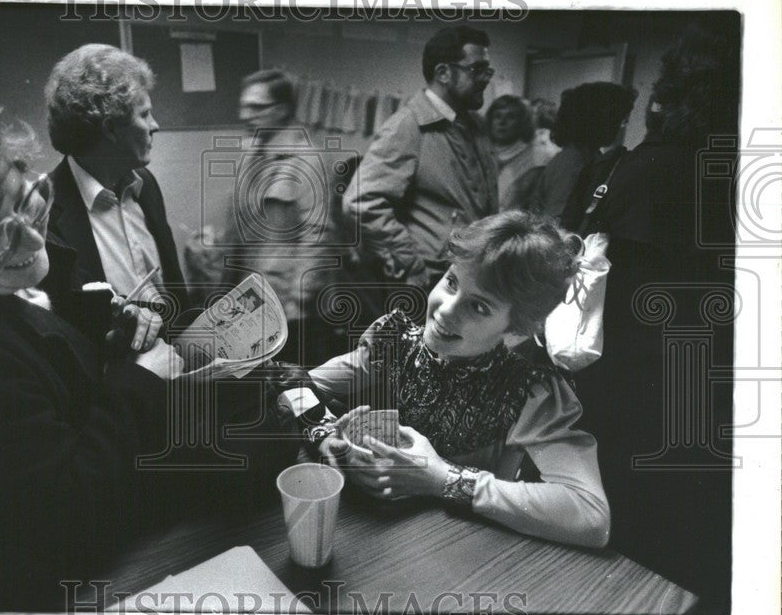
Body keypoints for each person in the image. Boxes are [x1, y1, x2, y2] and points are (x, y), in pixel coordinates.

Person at [0, 71, 293, 610]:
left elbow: (44, 388)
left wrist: (110, 345)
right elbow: (59, 522)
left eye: (25, 200)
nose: (30, 236)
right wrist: (139, 379)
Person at [304, 212, 611, 548]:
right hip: (370, 534)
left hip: (459, 550)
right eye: (451, 282)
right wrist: (325, 434)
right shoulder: (394, 342)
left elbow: (592, 517)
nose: (446, 310)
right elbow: (287, 383)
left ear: (516, 329)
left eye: (479, 307)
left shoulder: (529, 392)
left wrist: (442, 479)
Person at [571, 21, 738, 615]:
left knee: (617, 553)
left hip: (633, 388)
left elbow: (600, 293)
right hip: (719, 392)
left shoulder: (645, 169)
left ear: (670, 93)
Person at [40, 44, 189, 342]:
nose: (155, 126)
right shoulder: (45, 212)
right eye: (144, 115)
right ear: (110, 128)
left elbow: (171, 293)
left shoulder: (145, 184)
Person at [342, 26, 498, 293]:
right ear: (443, 73)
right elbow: (360, 201)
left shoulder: (474, 126)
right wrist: (410, 263)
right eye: (477, 69)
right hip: (429, 279)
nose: (485, 78)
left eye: (487, 70)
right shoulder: (408, 126)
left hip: (469, 272)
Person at [219, 69, 343, 365]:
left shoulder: (306, 159)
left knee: (294, 389)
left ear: (282, 109)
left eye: (256, 107)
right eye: (244, 105)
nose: (245, 114)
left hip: (289, 304)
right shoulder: (251, 154)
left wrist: (297, 302)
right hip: (251, 297)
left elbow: (318, 234)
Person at [533, 82, 636, 220]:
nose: (620, 127)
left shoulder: (588, 156)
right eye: (617, 120)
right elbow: (556, 221)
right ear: (597, 120)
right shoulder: (571, 163)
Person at [486, 94, 555, 211]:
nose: (502, 122)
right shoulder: (483, 151)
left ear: (522, 122)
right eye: (497, 116)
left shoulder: (537, 158)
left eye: (510, 117)